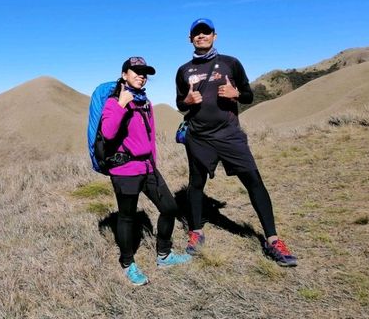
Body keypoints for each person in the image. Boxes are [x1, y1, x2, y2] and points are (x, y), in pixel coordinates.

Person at [175, 18, 297, 267]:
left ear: (214, 36)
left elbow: (249, 95)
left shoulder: (231, 63)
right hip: (198, 138)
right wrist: (186, 101)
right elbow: (179, 103)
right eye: (196, 33)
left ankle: (273, 240)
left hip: (230, 135)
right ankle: (196, 232)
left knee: (254, 182)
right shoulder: (183, 70)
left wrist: (237, 94)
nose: (201, 36)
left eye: (206, 32)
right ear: (190, 39)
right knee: (195, 185)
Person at [101, 56, 192, 286]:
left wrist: (154, 163)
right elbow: (108, 133)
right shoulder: (114, 101)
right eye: (136, 71)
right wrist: (122, 103)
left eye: (145, 72)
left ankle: (164, 254)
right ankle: (127, 263)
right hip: (124, 169)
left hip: (148, 167)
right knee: (127, 217)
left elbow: (150, 139)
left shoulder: (145, 102)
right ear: (124, 75)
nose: (142, 75)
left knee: (169, 207)